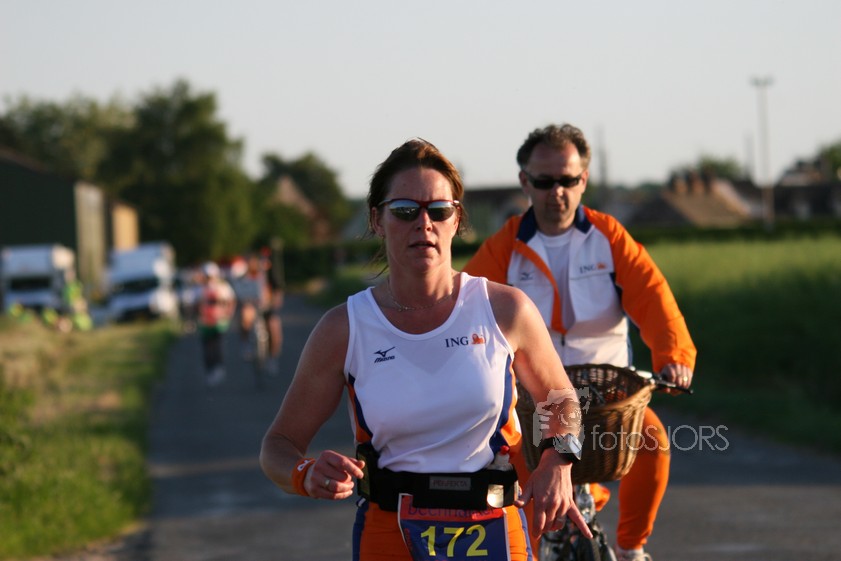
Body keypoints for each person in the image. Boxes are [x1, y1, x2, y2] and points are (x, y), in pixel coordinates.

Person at [260, 138, 593, 561]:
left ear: (457, 220)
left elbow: (560, 398)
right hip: (389, 530)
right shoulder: (344, 327)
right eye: (405, 210)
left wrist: (557, 462)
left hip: (492, 522)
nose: (424, 224)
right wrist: (304, 473)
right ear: (377, 220)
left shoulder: (505, 309)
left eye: (439, 210)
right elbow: (278, 445)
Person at [463, 124, 697, 561]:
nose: (557, 192)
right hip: (533, 401)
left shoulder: (610, 239)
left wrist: (675, 357)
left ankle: (631, 548)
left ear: (583, 180)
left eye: (568, 180)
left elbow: (654, 299)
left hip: (609, 398)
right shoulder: (504, 247)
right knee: (512, 475)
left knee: (654, 443)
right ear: (525, 182)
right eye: (544, 181)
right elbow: (464, 308)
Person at [196, 261, 237, 386]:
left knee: (218, 344)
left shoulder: (223, 287)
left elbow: (231, 301)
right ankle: (210, 369)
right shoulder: (199, 288)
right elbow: (195, 304)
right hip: (205, 322)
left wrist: (228, 314)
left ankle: (218, 367)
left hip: (219, 321)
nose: (208, 278)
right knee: (207, 347)